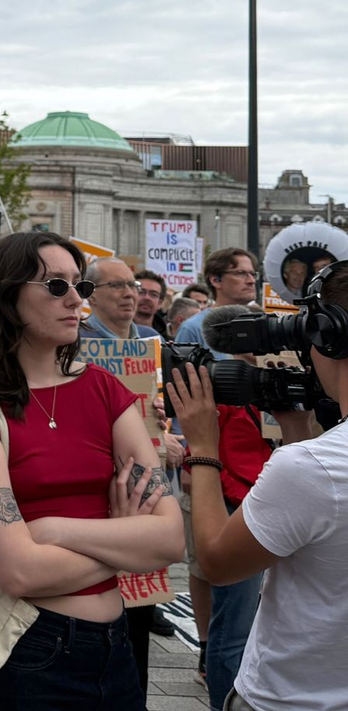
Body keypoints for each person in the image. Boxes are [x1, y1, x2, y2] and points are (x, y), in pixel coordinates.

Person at [0, 232, 183, 710]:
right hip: (30, 646)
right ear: (7, 296)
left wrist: (51, 529)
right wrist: (122, 538)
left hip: (117, 649)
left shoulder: (103, 388)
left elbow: (170, 540)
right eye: (56, 286)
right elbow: (18, 570)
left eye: (81, 286)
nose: (76, 300)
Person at [166, 265, 348, 711]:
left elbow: (216, 562)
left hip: (290, 699)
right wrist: (299, 431)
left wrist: (204, 445)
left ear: (332, 335)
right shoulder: (317, 464)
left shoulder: (313, 468)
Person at [173, 249, 264, 701]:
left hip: (262, 497)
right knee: (235, 613)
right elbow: (198, 430)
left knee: (250, 613)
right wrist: (194, 465)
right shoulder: (218, 377)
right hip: (233, 499)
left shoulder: (272, 377)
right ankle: (222, 692)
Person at [79, 258, 160, 341]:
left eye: (132, 285)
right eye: (117, 285)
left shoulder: (151, 337)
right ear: (91, 295)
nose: (129, 293)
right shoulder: (75, 342)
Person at [133, 269, 168, 334]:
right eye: (141, 292)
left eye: (153, 294)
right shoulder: (114, 336)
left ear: (159, 303)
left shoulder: (167, 342)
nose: (147, 298)